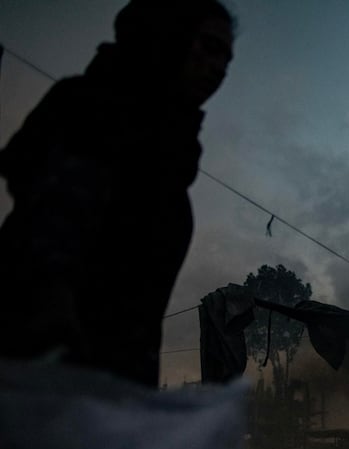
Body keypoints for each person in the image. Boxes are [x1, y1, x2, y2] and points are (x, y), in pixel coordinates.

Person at [0, 0, 236, 387]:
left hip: (110, 385)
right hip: (44, 376)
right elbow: (49, 240)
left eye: (226, 60)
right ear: (168, 38)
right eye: (209, 47)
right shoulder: (95, 111)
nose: (218, 69)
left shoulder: (170, 155)